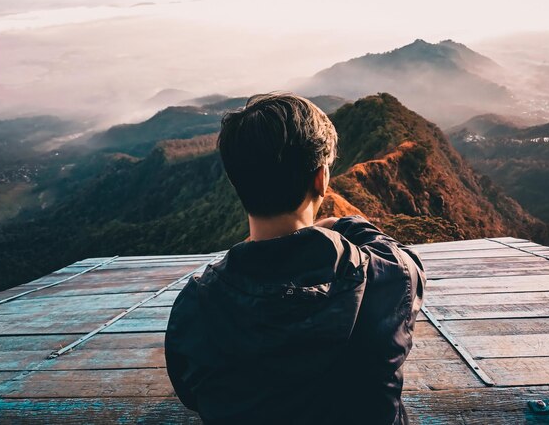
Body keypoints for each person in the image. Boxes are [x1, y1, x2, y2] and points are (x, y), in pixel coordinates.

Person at [165, 92, 426, 425]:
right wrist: (343, 224)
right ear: (321, 178)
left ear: (236, 181)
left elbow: (191, 394)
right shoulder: (385, 278)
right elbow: (401, 257)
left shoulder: (195, 306)